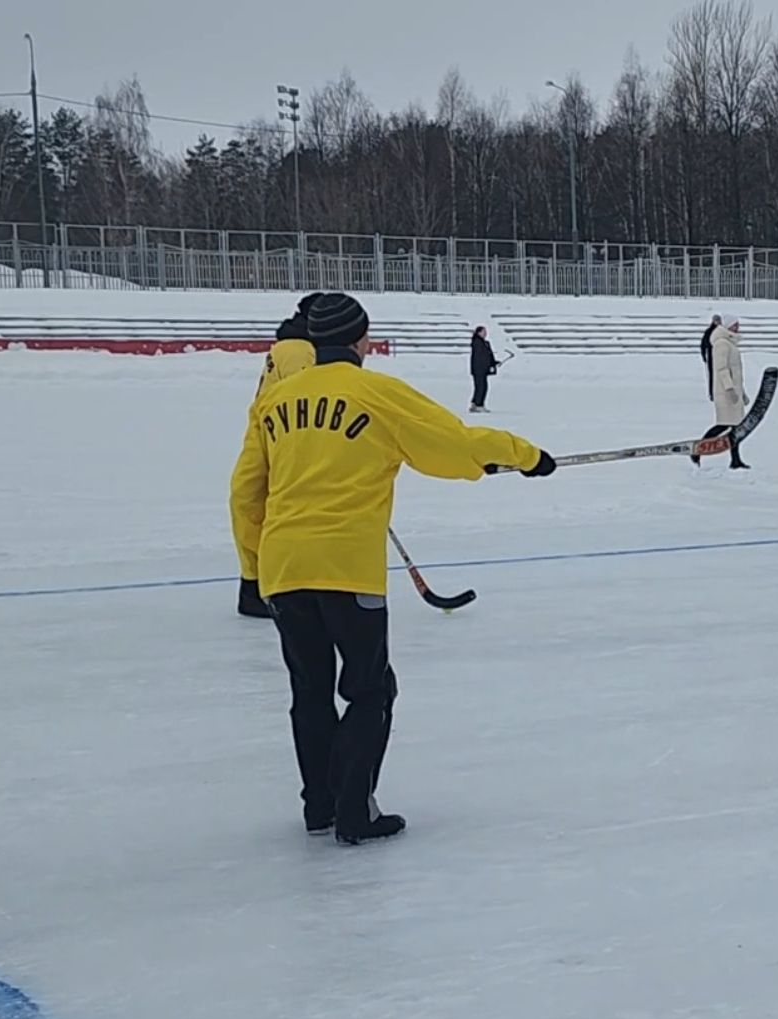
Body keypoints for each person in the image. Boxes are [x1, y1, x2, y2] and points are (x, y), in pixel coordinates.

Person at [230, 292, 557, 845]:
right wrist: (525, 456)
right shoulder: (377, 393)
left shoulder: (275, 400)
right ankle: (354, 810)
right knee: (369, 690)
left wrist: (253, 567)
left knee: (309, 692)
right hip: (347, 568)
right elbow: (451, 445)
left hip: (284, 568)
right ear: (361, 340)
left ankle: (319, 807)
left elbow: (245, 491)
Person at [239, 299, 320, 619]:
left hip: (263, 432)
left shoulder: (286, 345)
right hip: (279, 437)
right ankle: (273, 586)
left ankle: (254, 585)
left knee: (250, 504)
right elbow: (306, 401)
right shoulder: (300, 349)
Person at [702, 317, 751, 469]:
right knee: (723, 425)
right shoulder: (722, 344)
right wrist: (729, 388)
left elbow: (736, 374)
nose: (737, 328)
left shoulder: (730, 343)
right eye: (734, 325)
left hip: (733, 393)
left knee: (735, 427)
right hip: (725, 393)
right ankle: (698, 450)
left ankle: (735, 459)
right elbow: (722, 369)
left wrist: (742, 393)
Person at [469, 326, 501, 413]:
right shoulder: (478, 343)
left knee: (480, 387)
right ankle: (479, 405)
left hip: (481, 368)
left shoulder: (484, 343)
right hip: (479, 369)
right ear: (479, 333)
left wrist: (493, 363)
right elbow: (482, 357)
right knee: (482, 387)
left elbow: (488, 356)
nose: (485, 333)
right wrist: (489, 365)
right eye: (484, 331)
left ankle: (474, 403)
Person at [699, 315, 721, 401]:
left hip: (720, 355)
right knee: (712, 375)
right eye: (716, 321)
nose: (718, 322)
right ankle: (712, 393)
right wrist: (704, 355)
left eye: (718, 321)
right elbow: (703, 344)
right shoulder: (709, 331)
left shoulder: (722, 331)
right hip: (711, 355)